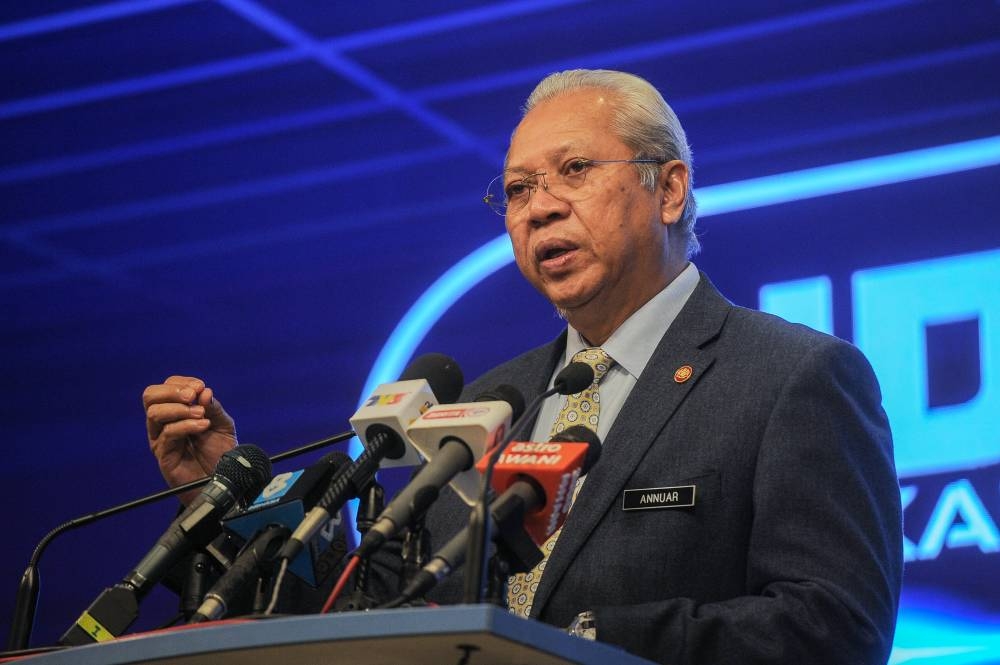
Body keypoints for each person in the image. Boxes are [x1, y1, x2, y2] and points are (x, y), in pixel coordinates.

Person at [144, 69, 902, 664]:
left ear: (668, 190)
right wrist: (224, 507)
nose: (538, 208)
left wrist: (577, 642)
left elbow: (834, 627)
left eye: (573, 169)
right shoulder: (487, 403)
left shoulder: (791, 377)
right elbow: (375, 611)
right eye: (517, 190)